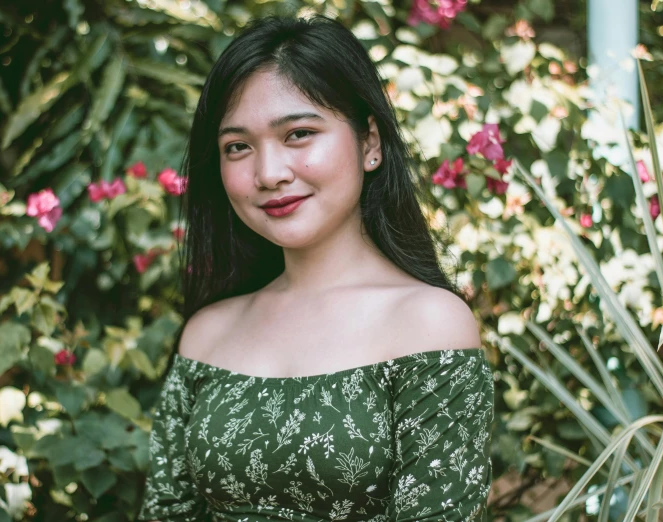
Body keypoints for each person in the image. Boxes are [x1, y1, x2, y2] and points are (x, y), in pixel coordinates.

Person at [137, 13, 494, 522]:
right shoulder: (208, 333)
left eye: (299, 134)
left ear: (369, 143)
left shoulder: (430, 324)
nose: (269, 173)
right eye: (237, 147)